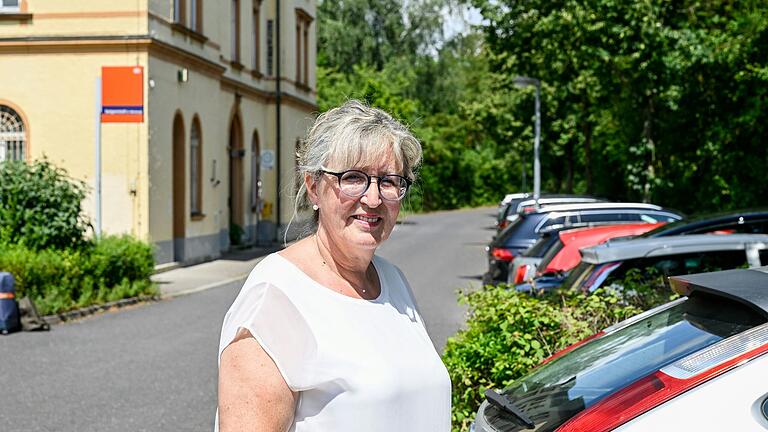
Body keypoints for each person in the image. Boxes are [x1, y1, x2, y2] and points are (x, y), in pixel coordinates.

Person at [216, 100, 451, 431]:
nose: (373, 199)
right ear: (313, 186)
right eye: (353, 178)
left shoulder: (393, 282)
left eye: (389, 181)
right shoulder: (275, 299)